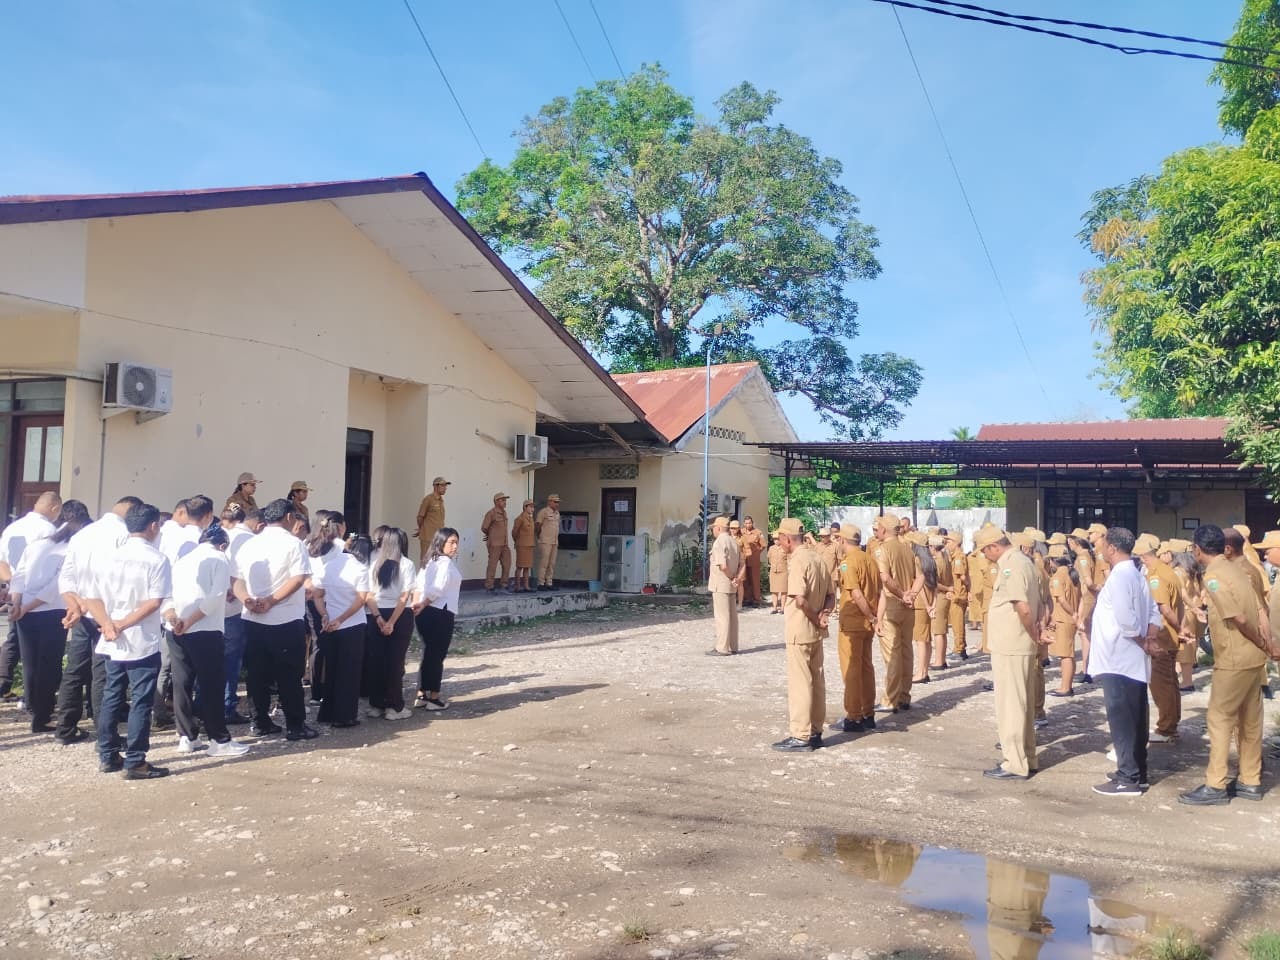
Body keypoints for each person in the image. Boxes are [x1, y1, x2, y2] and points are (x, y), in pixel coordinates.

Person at [1179, 525, 1277, 806]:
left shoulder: (1214, 576)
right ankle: (1250, 780)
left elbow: (1238, 618)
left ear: (1198, 549)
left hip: (1234, 658)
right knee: (1250, 722)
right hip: (1252, 660)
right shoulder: (1239, 568)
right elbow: (1260, 610)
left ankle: (1216, 784)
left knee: (1220, 720)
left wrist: (1259, 641)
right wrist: (1266, 645)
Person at [82, 502, 171, 780]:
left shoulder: (107, 557)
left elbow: (91, 598)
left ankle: (107, 754)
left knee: (112, 695)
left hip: (111, 638)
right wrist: (120, 625)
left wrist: (108, 624)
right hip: (139, 638)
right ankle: (135, 760)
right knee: (141, 700)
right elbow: (153, 602)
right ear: (153, 526)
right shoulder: (156, 559)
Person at [55, 495, 141, 747]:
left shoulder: (83, 534)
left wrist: (76, 605)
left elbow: (66, 576)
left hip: (83, 611)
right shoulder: (124, 535)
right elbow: (120, 578)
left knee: (75, 669)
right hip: (107, 613)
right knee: (103, 674)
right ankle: (106, 734)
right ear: (132, 512)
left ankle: (65, 727)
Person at [231, 499, 317, 741]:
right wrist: (270, 601)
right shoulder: (293, 543)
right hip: (285, 618)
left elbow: (235, 580)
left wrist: (247, 600)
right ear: (289, 517)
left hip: (252, 619)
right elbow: (298, 579)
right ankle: (295, 725)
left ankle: (260, 722)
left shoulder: (249, 543)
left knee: (257, 675)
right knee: (289, 675)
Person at [163, 525, 251, 757]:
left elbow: (167, 594)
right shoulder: (219, 559)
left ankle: (187, 736)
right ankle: (219, 739)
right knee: (212, 684)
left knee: (182, 682)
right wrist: (189, 622)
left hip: (175, 629)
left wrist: (174, 618)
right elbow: (216, 598)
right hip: (205, 629)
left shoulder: (182, 560)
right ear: (222, 545)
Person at [1090, 528, 1162, 797]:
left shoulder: (1121, 576)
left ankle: (1127, 778)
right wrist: (1150, 635)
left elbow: (1125, 619)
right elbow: (1153, 611)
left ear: (1112, 548)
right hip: (1129, 658)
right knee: (1136, 717)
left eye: (1103, 544)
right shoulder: (1137, 573)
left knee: (1122, 719)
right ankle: (1137, 772)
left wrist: (1143, 640)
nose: (1099, 549)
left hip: (1119, 657)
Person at [11, 500, 90, 732]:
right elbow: (56, 587)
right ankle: (42, 715)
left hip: (25, 611)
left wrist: (18, 604)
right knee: (49, 665)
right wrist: (25, 606)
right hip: (50, 611)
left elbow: (19, 576)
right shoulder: (69, 550)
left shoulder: (38, 545)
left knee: (30, 664)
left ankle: (35, 710)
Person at [979, 526, 1044, 782]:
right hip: (1018, 644)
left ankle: (1015, 763)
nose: (985, 556)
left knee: (1011, 706)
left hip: (1012, 644)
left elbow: (1023, 607)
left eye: (985, 551)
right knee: (1022, 705)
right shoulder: (1023, 561)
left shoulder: (1011, 565)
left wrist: (1034, 634)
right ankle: (1027, 757)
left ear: (994, 546)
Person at [772, 517, 834, 752]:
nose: (779, 543)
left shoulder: (798, 560)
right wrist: (824, 614)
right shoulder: (817, 557)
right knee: (817, 681)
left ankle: (800, 735)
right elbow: (831, 596)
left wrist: (815, 618)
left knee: (801, 683)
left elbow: (799, 599)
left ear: (787, 539)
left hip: (801, 629)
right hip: (816, 632)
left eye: (780, 539)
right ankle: (816, 731)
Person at [0, 490, 61, 701]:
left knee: (15, 639)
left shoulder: (13, 527)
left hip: (15, 590)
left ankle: (4, 683)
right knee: (38, 651)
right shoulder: (49, 530)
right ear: (55, 508)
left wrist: (12, 586)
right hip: (39, 598)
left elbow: (2, 561)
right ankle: (35, 697)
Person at [309, 528, 371, 728]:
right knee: (349, 672)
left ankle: (327, 713)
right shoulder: (360, 569)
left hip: (330, 624)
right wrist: (341, 619)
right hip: (352, 624)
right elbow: (361, 599)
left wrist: (325, 615)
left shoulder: (329, 566)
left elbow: (317, 595)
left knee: (332, 669)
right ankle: (344, 716)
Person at [831, 528, 882, 734]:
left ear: (843, 540)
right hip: (867, 623)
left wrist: (870, 616)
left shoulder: (848, 562)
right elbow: (879, 591)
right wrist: (874, 617)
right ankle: (868, 713)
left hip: (854, 621)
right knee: (865, 667)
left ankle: (854, 716)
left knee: (851, 669)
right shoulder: (870, 559)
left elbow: (856, 594)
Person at [1134, 533, 1183, 743]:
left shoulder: (1156, 576)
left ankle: (1166, 728)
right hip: (1168, 636)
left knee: (1161, 684)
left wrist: (1180, 628)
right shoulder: (1166, 570)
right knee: (1170, 682)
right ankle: (1171, 723)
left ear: (1143, 554)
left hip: (1161, 636)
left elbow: (1163, 608)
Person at [364, 527, 416, 720]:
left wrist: (378, 618)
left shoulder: (374, 564)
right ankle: (394, 707)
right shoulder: (407, 564)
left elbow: (368, 595)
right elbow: (404, 597)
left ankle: (376, 704)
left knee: (377, 660)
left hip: (375, 614)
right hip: (399, 615)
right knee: (395, 662)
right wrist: (392, 622)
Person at [872, 514, 918, 715]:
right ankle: (904, 696)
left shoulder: (882, 549)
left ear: (883, 529)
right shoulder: (907, 548)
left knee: (892, 654)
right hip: (908, 607)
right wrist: (910, 595)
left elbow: (885, 578)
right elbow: (919, 576)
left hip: (892, 604)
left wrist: (901, 595)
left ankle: (890, 700)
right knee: (906, 651)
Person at [413, 527, 462, 711]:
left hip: (426, 612)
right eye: (451, 542)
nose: (455, 546)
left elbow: (418, 586)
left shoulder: (429, 561)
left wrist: (417, 605)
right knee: (437, 655)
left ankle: (422, 694)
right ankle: (434, 697)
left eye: (457, 542)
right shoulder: (444, 563)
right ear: (441, 542)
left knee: (429, 653)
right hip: (440, 612)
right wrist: (423, 603)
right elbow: (437, 589)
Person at [1046, 550, 1080, 696]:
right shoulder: (1073, 574)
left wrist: (1072, 613)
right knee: (1069, 653)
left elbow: (1061, 599)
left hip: (1063, 618)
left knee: (1065, 655)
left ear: (1054, 561)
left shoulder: (1057, 577)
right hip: (1069, 620)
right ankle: (1067, 686)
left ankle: (1065, 687)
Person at [707, 516, 742, 656]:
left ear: (719, 528)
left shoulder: (719, 542)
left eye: (714, 528)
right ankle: (733, 646)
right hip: (731, 584)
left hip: (721, 583)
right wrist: (736, 578)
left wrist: (732, 577)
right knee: (732, 616)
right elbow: (742, 564)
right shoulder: (734, 542)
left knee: (722, 616)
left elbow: (722, 565)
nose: (713, 531)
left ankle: (722, 647)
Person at [909, 537, 938, 684]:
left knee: (920, 640)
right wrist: (933, 604)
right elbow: (935, 585)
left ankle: (921, 672)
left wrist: (927, 605)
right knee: (926, 639)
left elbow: (919, 587)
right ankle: (924, 670)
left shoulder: (917, 561)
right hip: (930, 601)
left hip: (921, 604)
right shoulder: (931, 561)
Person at [927, 536, 951, 673]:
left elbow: (935, 583)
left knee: (938, 631)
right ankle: (941, 659)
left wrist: (947, 589)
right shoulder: (946, 558)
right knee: (942, 630)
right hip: (944, 596)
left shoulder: (937, 561)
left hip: (940, 596)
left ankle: (939, 661)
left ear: (933, 547)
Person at [945, 531, 970, 659]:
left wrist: (966, 589)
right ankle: (961, 647)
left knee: (958, 623)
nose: (946, 544)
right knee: (957, 622)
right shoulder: (955, 556)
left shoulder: (959, 558)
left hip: (958, 595)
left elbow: (962, 577)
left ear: (956, 543)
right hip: (957, 593)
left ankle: (959, 649)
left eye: (949, 542)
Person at [481, 492, 512, 592]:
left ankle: (504, 585)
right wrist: (491, 535)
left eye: (505, 500)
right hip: (494, 544)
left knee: (507, 564)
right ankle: (489, 586)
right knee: (492, 565)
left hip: (504, 544)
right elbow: (484, 527)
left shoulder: (504, 513)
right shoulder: (491, 513)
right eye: (503, 500)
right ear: (496, 501)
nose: (505, 502)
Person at [414, 477, 449, 565]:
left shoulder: (441, 501)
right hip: (428, 537)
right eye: (442, 485)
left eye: (445, 486)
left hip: (439, 537)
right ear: (435, 486)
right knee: (426, 561)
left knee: (437, 562)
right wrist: (422, 528)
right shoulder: (428, 499)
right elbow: (420, 516)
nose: (445, 488)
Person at [535, 494, 561, 591]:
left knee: (552, 563)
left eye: (558, 502)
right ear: (549, 502)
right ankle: (540, 583)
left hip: (554, 541)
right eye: (555, 502)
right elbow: (538, 525)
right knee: (544, 563)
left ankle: (549, 583)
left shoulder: (557, 513)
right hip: (545, 541)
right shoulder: (543, 512)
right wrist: (539, 536)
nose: (557, 504)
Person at [512, 499, 536, 593]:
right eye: (530, 507)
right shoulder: (520, 518)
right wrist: (518, 541)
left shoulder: (531, 518)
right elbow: (514, 532)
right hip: (522, 545)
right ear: (525, 507)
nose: (532, 509)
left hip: (529, 545)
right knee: (520, 566)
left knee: (527, 567)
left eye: (533, 507)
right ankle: (517, 586)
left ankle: (526, 586)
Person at [741, 517, 766, 607]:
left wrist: (757, 552)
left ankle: (756, 600)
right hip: (744, 560)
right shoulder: (741, 532)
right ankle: (747, 599)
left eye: (749, 523)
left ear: (752, 523)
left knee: (755, 580)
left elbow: (763, 545)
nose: (748, 525)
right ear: (744, 524)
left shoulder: (758, 532)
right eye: (746, 523)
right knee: (745, 580)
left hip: (754, 560)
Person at [767, 532, 789, 614]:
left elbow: (789, 560)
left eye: (778, 539)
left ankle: (783, 608)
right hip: (774, 571)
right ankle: (774, 608)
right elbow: (769, 559)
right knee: (774, 590)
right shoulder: (771, 548)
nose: (776, 541)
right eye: (775, 539)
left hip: (783, 571)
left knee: (783, 590)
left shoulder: (786, 548)